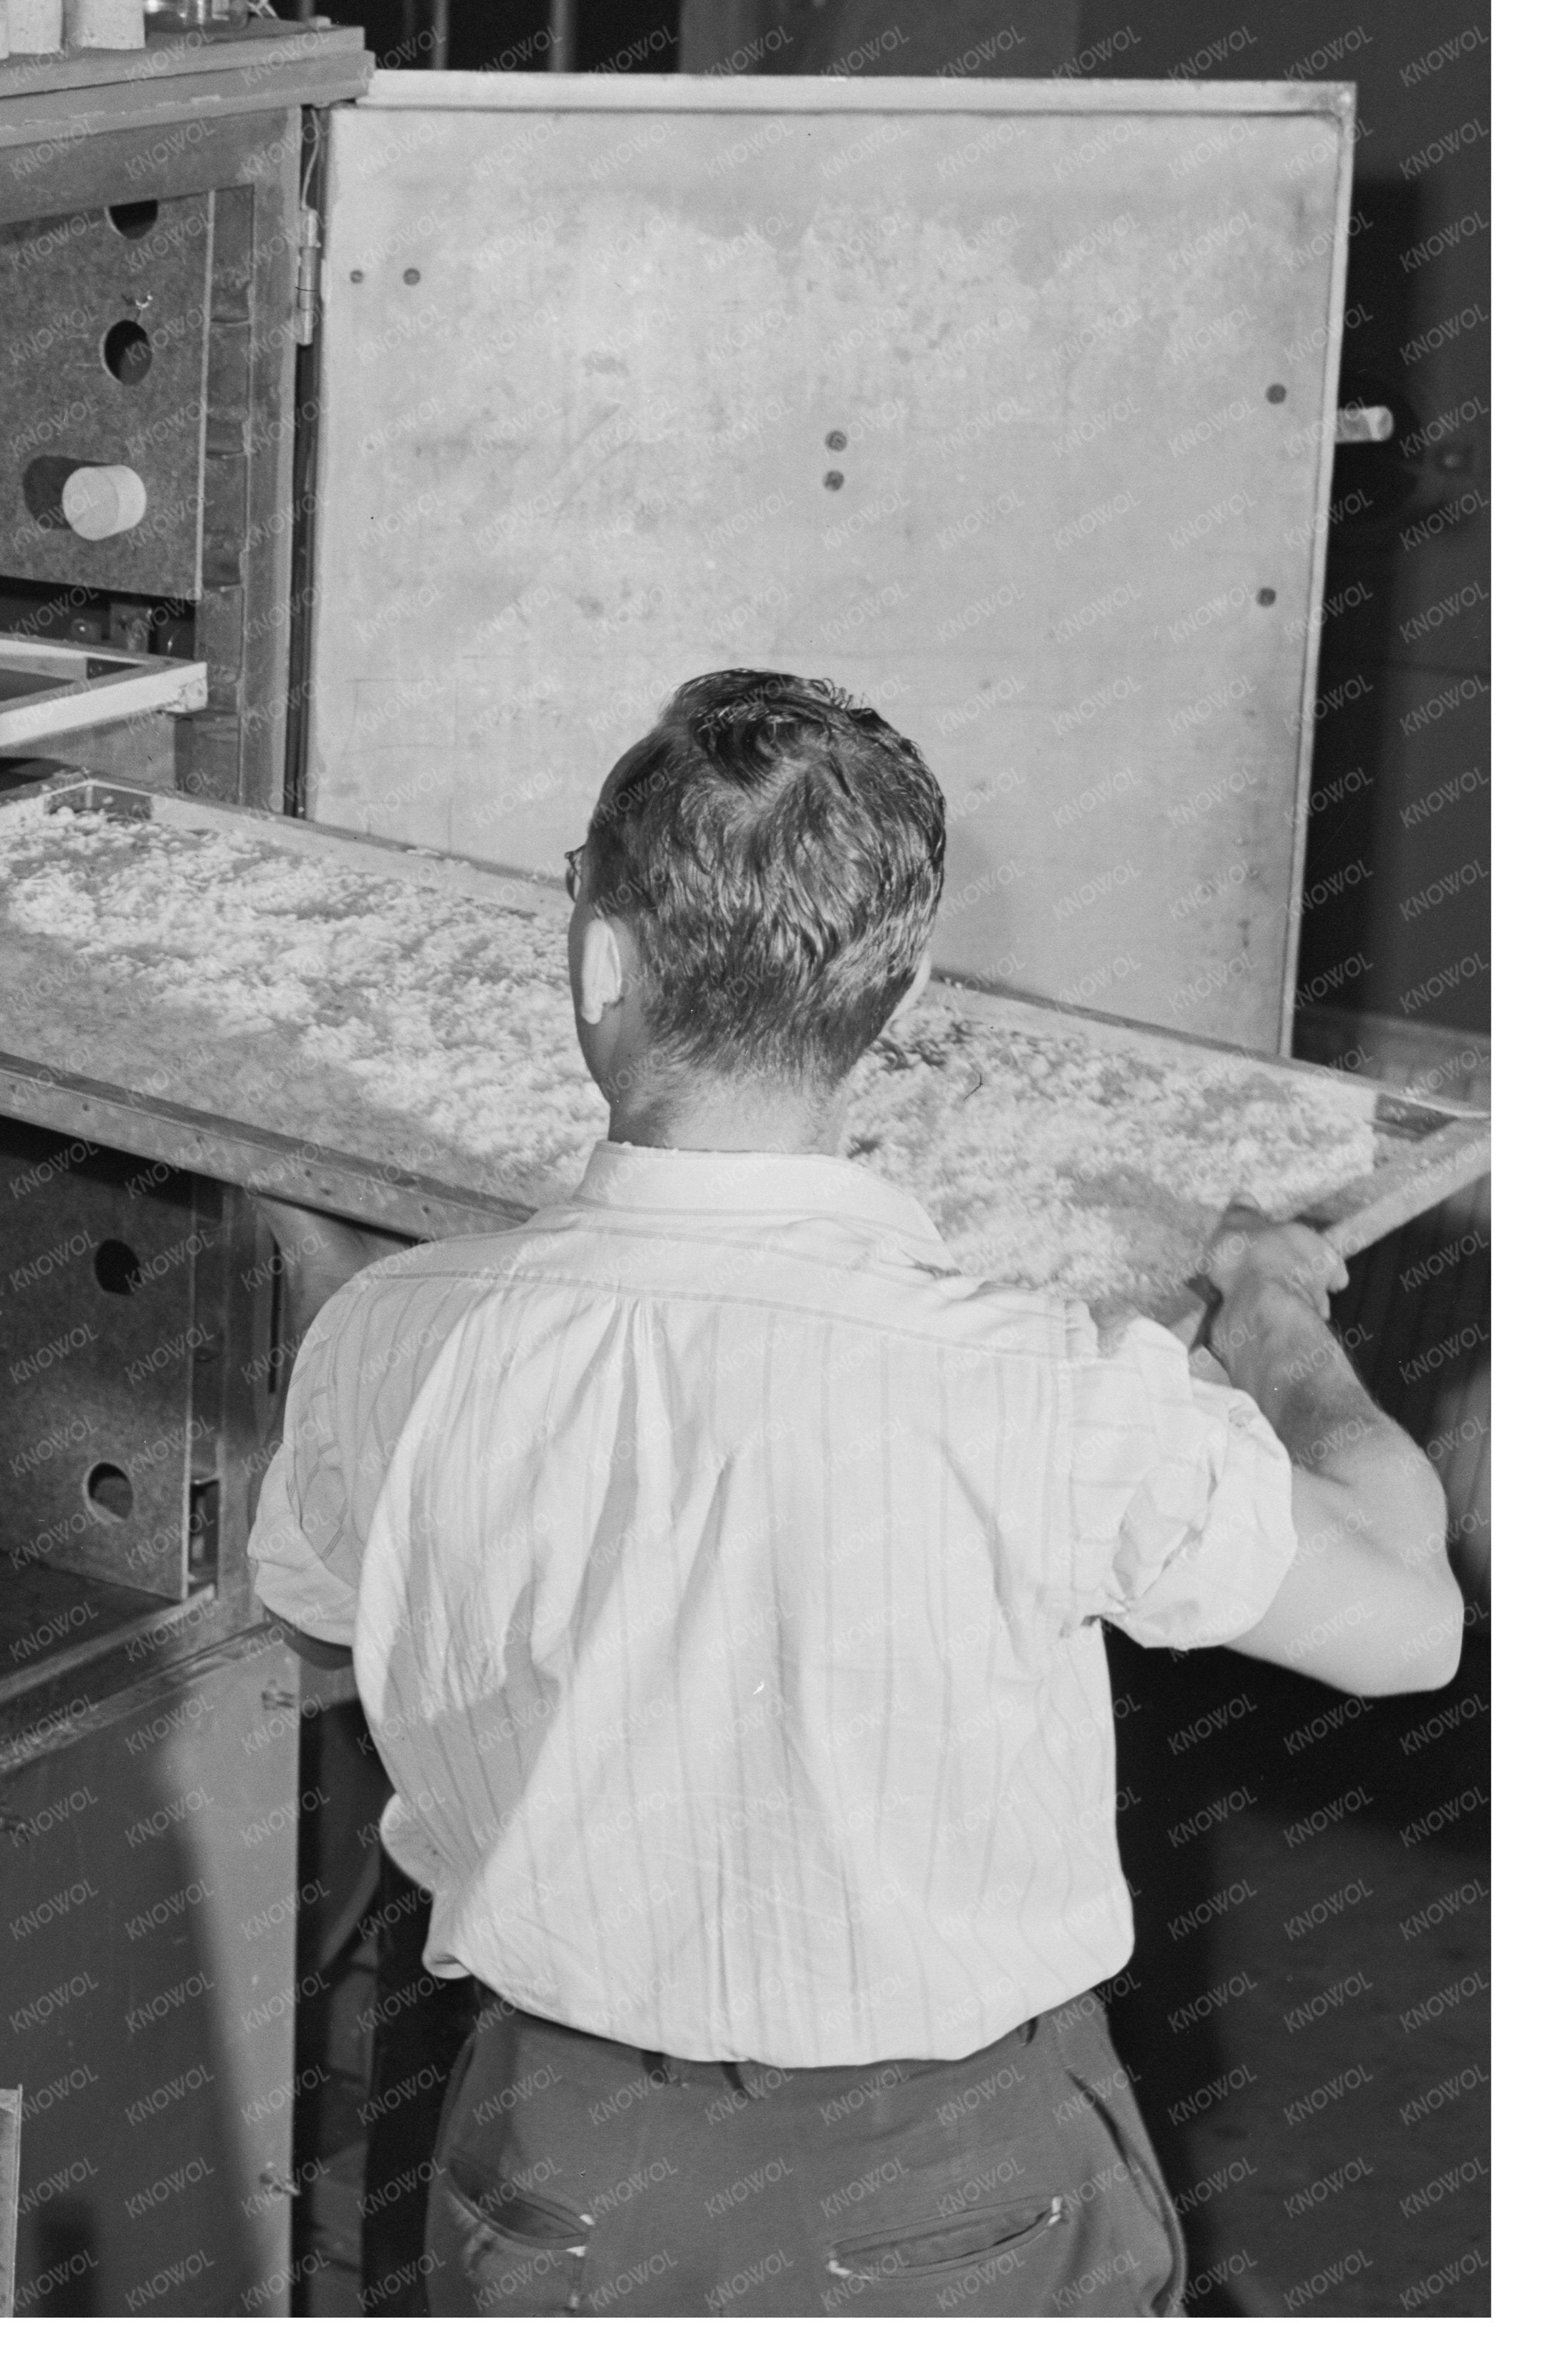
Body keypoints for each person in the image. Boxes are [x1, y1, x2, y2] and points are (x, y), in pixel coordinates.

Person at [242, 669, 1463, 2317]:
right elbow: (1408, 1628)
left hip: (563, 2176)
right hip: (955, 2193)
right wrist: (1267, 1321)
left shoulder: (389, 1343)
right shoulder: (1049, 1388)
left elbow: (327, 1611)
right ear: (896, 994)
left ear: (598, 951)